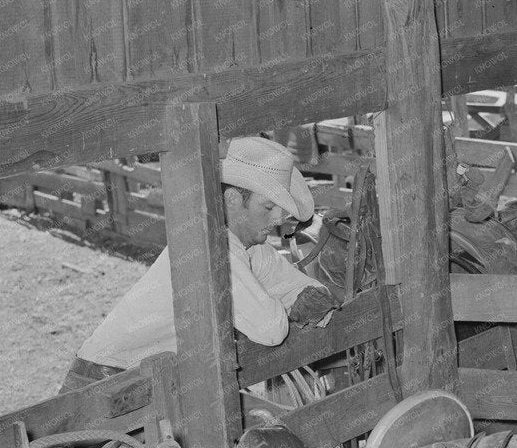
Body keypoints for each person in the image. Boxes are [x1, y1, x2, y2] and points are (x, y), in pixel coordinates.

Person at [61, 137, 337, 392]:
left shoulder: (255, 250)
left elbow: (304, 289)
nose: (279, 218)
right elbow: (271, 330)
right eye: (268, 207)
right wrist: (288, 305)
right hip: (103, 384)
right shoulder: (212, 245)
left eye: (281, 208)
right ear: (232, 199)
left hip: (152, 380)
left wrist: (300, 297)